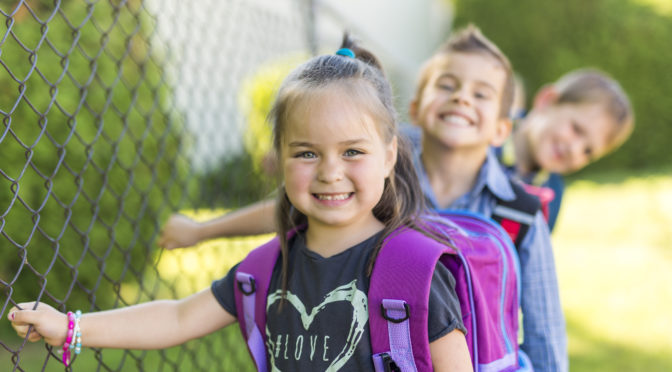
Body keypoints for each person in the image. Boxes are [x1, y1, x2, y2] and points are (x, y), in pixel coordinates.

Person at [8, 35, 472, 371]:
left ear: (389, 154)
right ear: (279, 160)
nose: (330, 171)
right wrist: (72, 327)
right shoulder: (267, 269)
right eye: (307, 152)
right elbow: (177, 316)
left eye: (353, 151)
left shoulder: (413, 272)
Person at [157, 25, 567, 372]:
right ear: (414, 108)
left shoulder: (518, 212)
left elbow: (545, 329)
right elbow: (288, 209)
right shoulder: (368, 170)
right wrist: (204, 231)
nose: (461, 97)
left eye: (481, 94)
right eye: (447, 85)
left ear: (502, 128)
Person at [498, 68, 634, 231]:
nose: (574, 150)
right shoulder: (484, 137)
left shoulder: (552, 195)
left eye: (588, 152)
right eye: (576, 129)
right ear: (547, 101)